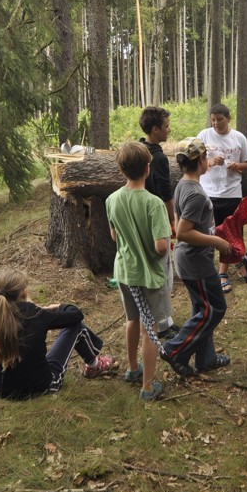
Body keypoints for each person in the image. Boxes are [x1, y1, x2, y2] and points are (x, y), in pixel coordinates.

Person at [0, 268, 115, 400]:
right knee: (77, 327)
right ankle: (94, 366)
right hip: (43, 387)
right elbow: (76, 316)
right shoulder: (37, 315)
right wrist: (60, 306)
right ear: (24, 292)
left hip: (2, 391)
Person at [159, 137, 232, 378]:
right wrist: (217, 241)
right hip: (195, 261)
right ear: (200, 160)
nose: (207, 160)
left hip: (190, 258)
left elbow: (181, 221)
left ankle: (206, 359)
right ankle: (174, 349)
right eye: (205, 156)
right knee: (214, 308)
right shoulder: (195, 194)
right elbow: (182, 232)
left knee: (202, 308)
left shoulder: (182, 185)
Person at [106, 141, 173, 401]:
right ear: (148, 168)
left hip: (124, 271)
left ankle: (133, 368)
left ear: (121, 170)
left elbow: (115, 236)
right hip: (148, 275)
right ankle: (147, 386)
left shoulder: (112, 199)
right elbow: (160, 247)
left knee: (132, 319)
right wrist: (163, 243)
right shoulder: (154, 204)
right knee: (150, 328)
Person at [196, 103, 247, 293]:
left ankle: (222, 273)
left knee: (230, 233)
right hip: (208, 191)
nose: (215, 123)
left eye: (219, 120)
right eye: (213, 120)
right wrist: (211, 162)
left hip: (232, 192)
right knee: (210, 233)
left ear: (228, 119)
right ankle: (238, 260)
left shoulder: (239, 138)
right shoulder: (203, 136)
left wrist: (237, 166)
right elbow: (195, 160)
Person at [139, 106, 179, 339]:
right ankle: (163, 324)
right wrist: (172, 220)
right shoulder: (159, 158)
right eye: (166, 126)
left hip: (140, 217)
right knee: (163, 272)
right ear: (155, 129)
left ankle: (159, 318)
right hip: (157, 219)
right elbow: (166, 194)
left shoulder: (138, 149)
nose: (168, 130)